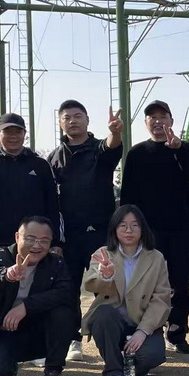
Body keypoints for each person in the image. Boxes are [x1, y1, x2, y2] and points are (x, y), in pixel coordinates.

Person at [120, 100, 189, 355]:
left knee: (179, 279)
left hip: (179, 229)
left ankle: (177, 332)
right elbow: (127, 195)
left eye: (162, 117)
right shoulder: (136, 153)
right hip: (147, 231)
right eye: (152, 118)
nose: (157, 122)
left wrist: (179, 149)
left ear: (171, 121)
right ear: (146, 123)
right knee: (146, 281)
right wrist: (128, 228)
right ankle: (148, 330)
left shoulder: (183, 148)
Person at [47, 99, 123, 362]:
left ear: (87, 120)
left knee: (107, 285)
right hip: (68, 236)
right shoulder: (53, 158)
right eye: (66, 117)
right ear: (60, 123)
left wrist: (115, 132)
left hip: (100, 233)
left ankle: (112, 338)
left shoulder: (99, 148)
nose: (72, 121)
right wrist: (55, 240)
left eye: (78, 116)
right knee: (68, 290)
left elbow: (112, 147)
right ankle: (73, 339)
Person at [0, 216, 78, 376]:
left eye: (44, 241)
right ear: (17, 237)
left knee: (64, 312)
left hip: (38, 331)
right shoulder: (0, 256)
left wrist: (26, 307)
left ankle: (53, 372)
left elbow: (66, 292)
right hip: (3, 330)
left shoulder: (55, 263)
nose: (37, 245)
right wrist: (6, 274)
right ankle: (7, 374)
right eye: (30, 238)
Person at [81, 205, 171, 376]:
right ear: (114, 228)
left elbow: (161, 298)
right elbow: (90, 284)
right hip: (112, 322)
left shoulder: (156, 257)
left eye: (134, 225)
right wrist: (105, 276)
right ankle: (113, 372)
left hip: (141, 321)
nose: (129, 230)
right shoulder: (103, 254)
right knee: (103, 314)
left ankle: (130, 364)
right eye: (122, 225)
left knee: (152, 355)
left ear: (142, 228)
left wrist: (143, 331)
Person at [0, 113, 63, 251]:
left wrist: (55, 241)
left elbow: (53, 204)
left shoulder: (40, 164)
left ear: (24, 134)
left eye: (18, 131)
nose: (13, 136)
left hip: (36, 239)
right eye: (7, 131)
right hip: (0, 240)